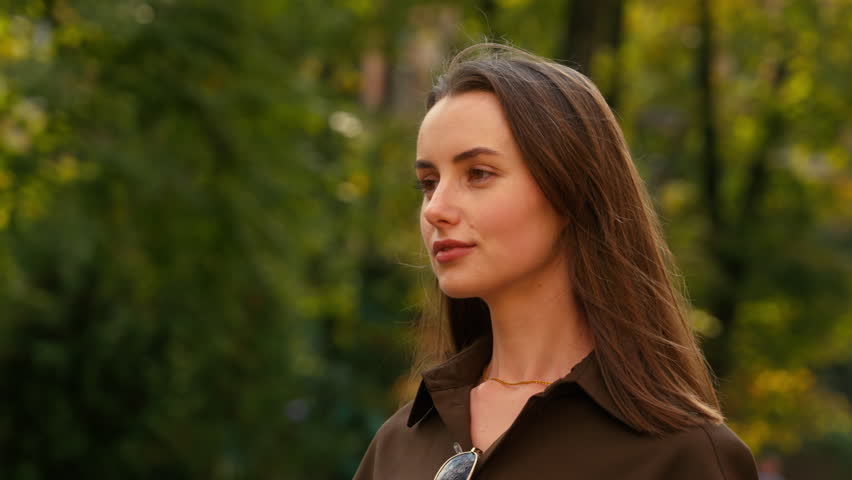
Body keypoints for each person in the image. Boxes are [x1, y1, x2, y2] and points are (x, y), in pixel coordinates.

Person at [354, 43, 759, 479]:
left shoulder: (683, 456)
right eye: (429, 182)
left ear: (569, 191)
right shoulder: (398, 445)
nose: (436, 209)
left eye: (478, 174)